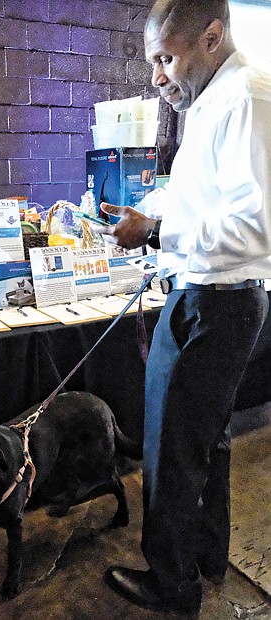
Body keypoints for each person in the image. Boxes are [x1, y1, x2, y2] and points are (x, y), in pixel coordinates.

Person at [94, 1, 271, 618]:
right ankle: (205, 559)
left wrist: (156, 234)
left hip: (216, 303)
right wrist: (149, 207)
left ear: (213, 36)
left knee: (170, 446)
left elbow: (255, 227)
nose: (157, 77)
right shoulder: (213, 100)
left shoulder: (247, 96)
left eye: (166, 59)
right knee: (204, 440)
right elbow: (196, 193)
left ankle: (173, 586)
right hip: (207, 297)